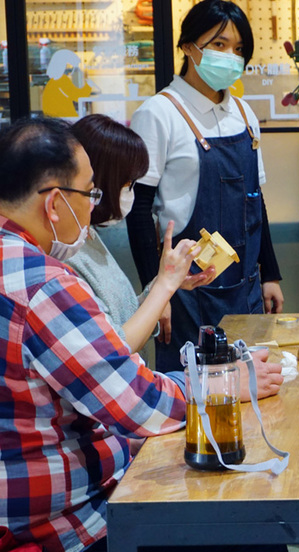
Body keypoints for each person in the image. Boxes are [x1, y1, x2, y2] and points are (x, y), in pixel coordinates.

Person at [0, 118, 186, 552]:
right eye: (91, 193)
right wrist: (224, 382)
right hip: (65, 525)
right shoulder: (42, 284)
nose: (95, 205)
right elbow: (138, 405)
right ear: (55, 203)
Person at [68, 114, 283, 401]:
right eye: (126, 184)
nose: (129, 194)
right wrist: (163, 286)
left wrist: (170, 282)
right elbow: (112, 351)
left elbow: (119, 317)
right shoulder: (65, 257)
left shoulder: (89, 237)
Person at [128, 0, 284, 373]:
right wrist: (156, 293)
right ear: (187, 47)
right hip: (187, 295)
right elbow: (138, 210)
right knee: (194, 399)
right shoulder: (159, 113)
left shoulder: (245, 115)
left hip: (245, 289)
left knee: (251, 388)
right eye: (219, 45)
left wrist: (271, 273)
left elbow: (255, 203)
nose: (231, 56)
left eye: (239, 49)